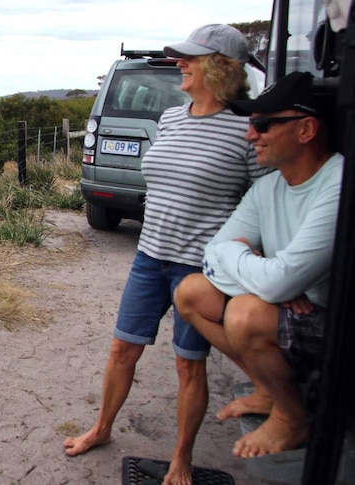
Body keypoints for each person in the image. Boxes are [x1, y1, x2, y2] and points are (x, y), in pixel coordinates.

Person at [63, 24, 272, 485]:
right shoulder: (172, 119)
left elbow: (262, 206)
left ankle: (181, 459)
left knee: (187, 364)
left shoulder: (247, 131)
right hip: (149, 255)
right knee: (122, 348)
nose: (180, 62)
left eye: (189, 58)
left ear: (220, 68)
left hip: (199, 269)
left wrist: (260, 264)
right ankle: (101, 429)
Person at [174, 71, 342, 458]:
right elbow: (212, 255)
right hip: (293, 310)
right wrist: (267, 277)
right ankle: (267, 390)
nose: (251, 135)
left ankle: (291, 417)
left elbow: (272, 277)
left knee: (246, 314)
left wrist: (263, 274)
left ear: (306, 130)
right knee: (192, 292)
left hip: (336, 326)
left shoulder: (338, 184)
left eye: (264, 124)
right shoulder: (269, 186)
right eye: (252, 124)